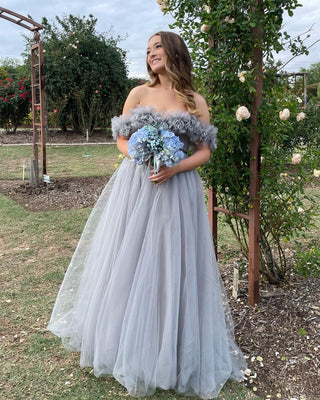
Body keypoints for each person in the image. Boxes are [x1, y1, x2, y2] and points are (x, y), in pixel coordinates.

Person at [47, 31, 246, 399]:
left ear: (174, 52)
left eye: (158, 47)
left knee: (173, 261)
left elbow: (204, 152)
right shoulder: (139, 94)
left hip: (178, 188)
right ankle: (124, 339)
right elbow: (121, 139)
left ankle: (170, 345)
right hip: (136, 187)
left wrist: (175, 166)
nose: (151, 53)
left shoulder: (194, 100)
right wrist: (138, 153)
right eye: (148, 49)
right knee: (130, 257)